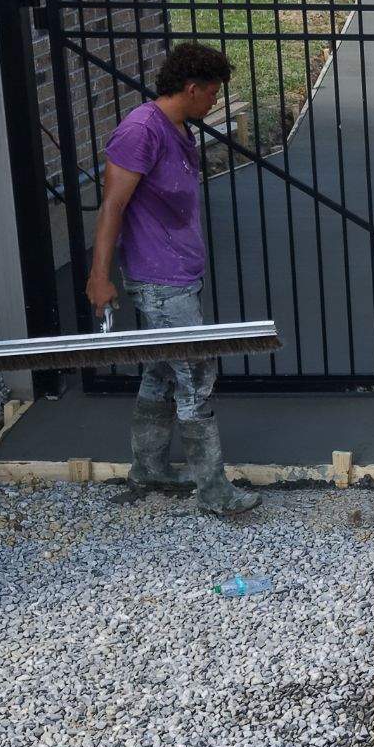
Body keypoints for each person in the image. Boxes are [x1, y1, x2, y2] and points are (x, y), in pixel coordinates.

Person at [84, 42, 261, 521]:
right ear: (191, 88)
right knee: (195, 375)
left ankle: (150, 468)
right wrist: (99, 277)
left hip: (180, 273)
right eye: (212, 94)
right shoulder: (141, 131)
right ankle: (213, 490)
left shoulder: (176, 128)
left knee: (162, 372)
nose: (214, 104)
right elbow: (112, 208)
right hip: (159, 280)